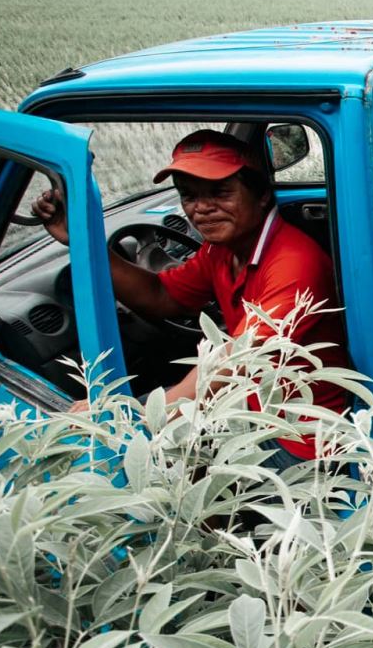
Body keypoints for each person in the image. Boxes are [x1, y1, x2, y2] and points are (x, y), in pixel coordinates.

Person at [32, 129, 350, 467]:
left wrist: (128, 414)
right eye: (189, 195)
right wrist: (83, 241)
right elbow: (162, 295)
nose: (201, 209)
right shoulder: (223, 249)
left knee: (135, 465)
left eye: (220, 193)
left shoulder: (295, 264)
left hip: (300, 441)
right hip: (249, 405)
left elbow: (231, 364)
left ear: (260, 196)